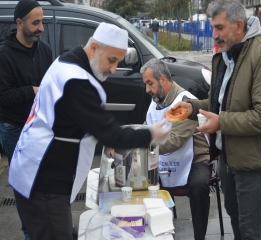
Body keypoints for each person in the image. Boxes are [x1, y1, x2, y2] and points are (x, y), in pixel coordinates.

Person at [8, 22, 170, 240]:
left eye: (118, 62)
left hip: (35, 167)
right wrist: (150, 134)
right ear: (94, 48)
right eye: (111, 60)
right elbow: (109, 133)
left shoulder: (65, 61)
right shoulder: (75, 81)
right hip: (45, 179)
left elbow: (77, 119)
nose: (113, 69)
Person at [171, 0, 261, 239]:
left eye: (219, 28)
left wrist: (221, 122)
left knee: (250, 229)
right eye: (213, 28)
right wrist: (191, 108)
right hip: (228, 158)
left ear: (239, 25)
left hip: (252, 161)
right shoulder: (226, 55)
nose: (214, 35)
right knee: (236, 219)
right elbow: (218, 106)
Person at [141, 58, 212, 240]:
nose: (147, 89)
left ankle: (199, 237)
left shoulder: (185, 102)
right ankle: (155, 233)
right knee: (142, 184)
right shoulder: (156, 101)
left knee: (199, 186)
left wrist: (141, 145)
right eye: (146, 84)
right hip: (164, 159)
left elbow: (175, 141)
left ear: (162, 80)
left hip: (195, 158)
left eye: (150, 83)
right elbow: (145, 128)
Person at [0, 0, 52, 239]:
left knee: (45, 184)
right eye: (36, 23)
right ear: (19, 23)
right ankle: (30, 233)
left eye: (42, 22)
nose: (41, 28)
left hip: (41, 127)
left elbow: (50, 86)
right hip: (15, 130)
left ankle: (47, 229)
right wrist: (32, 90)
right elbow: (3, 96)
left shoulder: (45, 49)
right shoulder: (4, 54)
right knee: (24, 188)